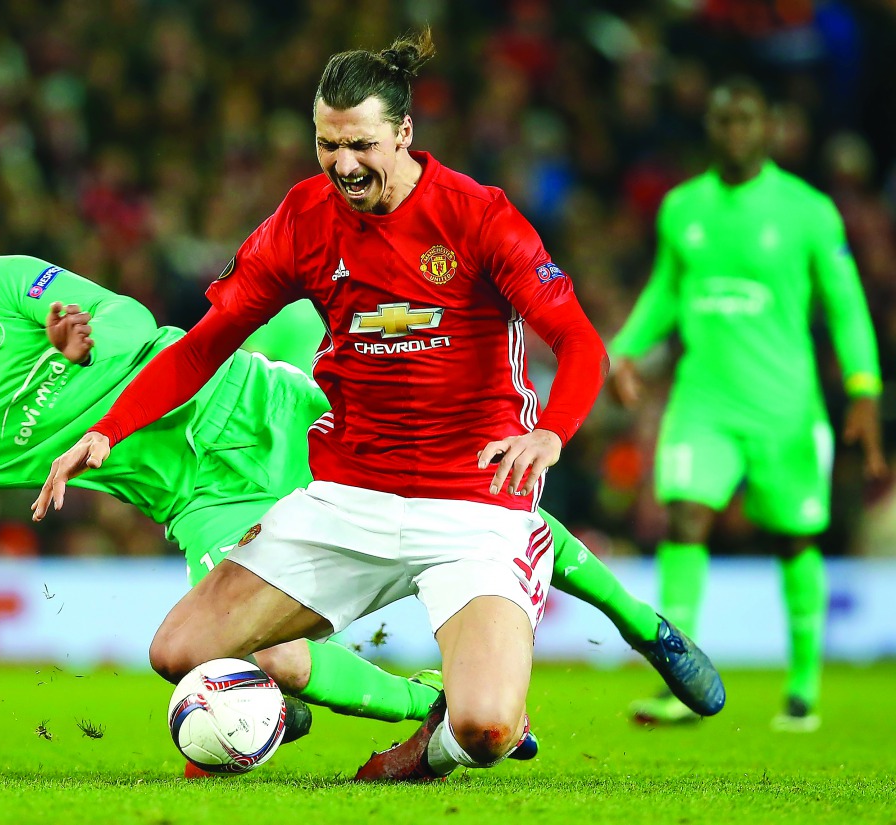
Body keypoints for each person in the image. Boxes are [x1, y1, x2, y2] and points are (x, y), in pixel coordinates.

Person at [0, 234, 721, 778]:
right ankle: (435, 711)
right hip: (200, 500)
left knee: (461, 486)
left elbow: (139, 322)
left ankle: (641, 620)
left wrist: (85, 334)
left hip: (252, 400)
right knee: (260, 653)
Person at [35, 29, 699, 782]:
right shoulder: (305, 218)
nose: (343, 163)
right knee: (179, 652)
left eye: (361, 145)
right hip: (350, 494)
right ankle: (284, 709)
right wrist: (108, 430)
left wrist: (550, 432)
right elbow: (202, 346)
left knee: (486, 727)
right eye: (326, 144)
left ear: (404, 134)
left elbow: (579, 341)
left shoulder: (477, 216)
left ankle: (431, 743)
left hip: (473, 501)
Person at [609, 77, 885, 732]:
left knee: (794, 537)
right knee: (684, 519)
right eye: (722, 119)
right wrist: (622, 350)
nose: (734, 129)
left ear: (769, 127)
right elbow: (666, 293)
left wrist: (865, 387)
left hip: (784, 406)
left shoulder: (808, 211)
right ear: (709, 128)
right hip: (704, 398)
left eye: (746, 118)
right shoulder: (683, 208)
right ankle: (681, 680)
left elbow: (846, 307)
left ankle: (802, 686)